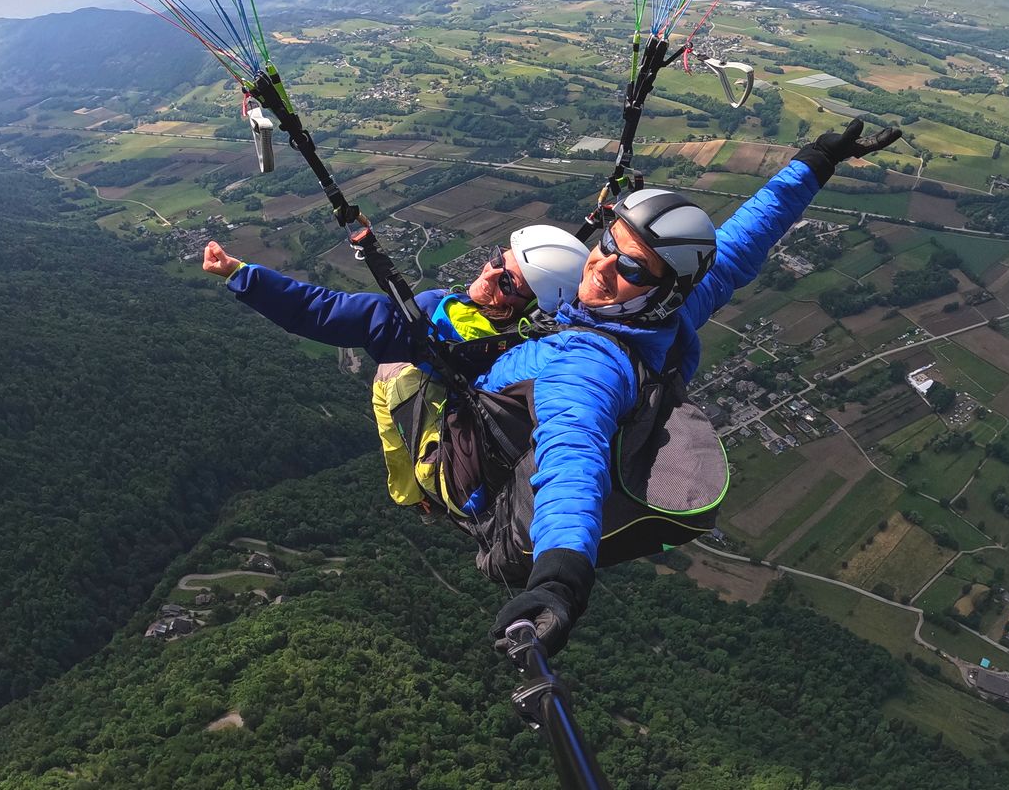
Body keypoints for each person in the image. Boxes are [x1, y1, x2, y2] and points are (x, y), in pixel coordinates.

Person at [481, 120, 900, 655]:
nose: (601, 265)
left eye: (630, 265)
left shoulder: (587, 366)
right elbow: (742, 243)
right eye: (609, 243)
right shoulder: (667, 311)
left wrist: (558, 582)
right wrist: (816, 163)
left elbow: (572, 459)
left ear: (662, 287)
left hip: (475, 474)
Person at [202, 224, 590, 509]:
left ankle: (411, 492)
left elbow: (323, 312)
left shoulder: (433, 325)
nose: (488, 274)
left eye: (506, 282)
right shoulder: (545, 341)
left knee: (390, 373)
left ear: (529, 308)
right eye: (496, 260)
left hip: (454, 471)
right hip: (494, 458)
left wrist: (243, 276)